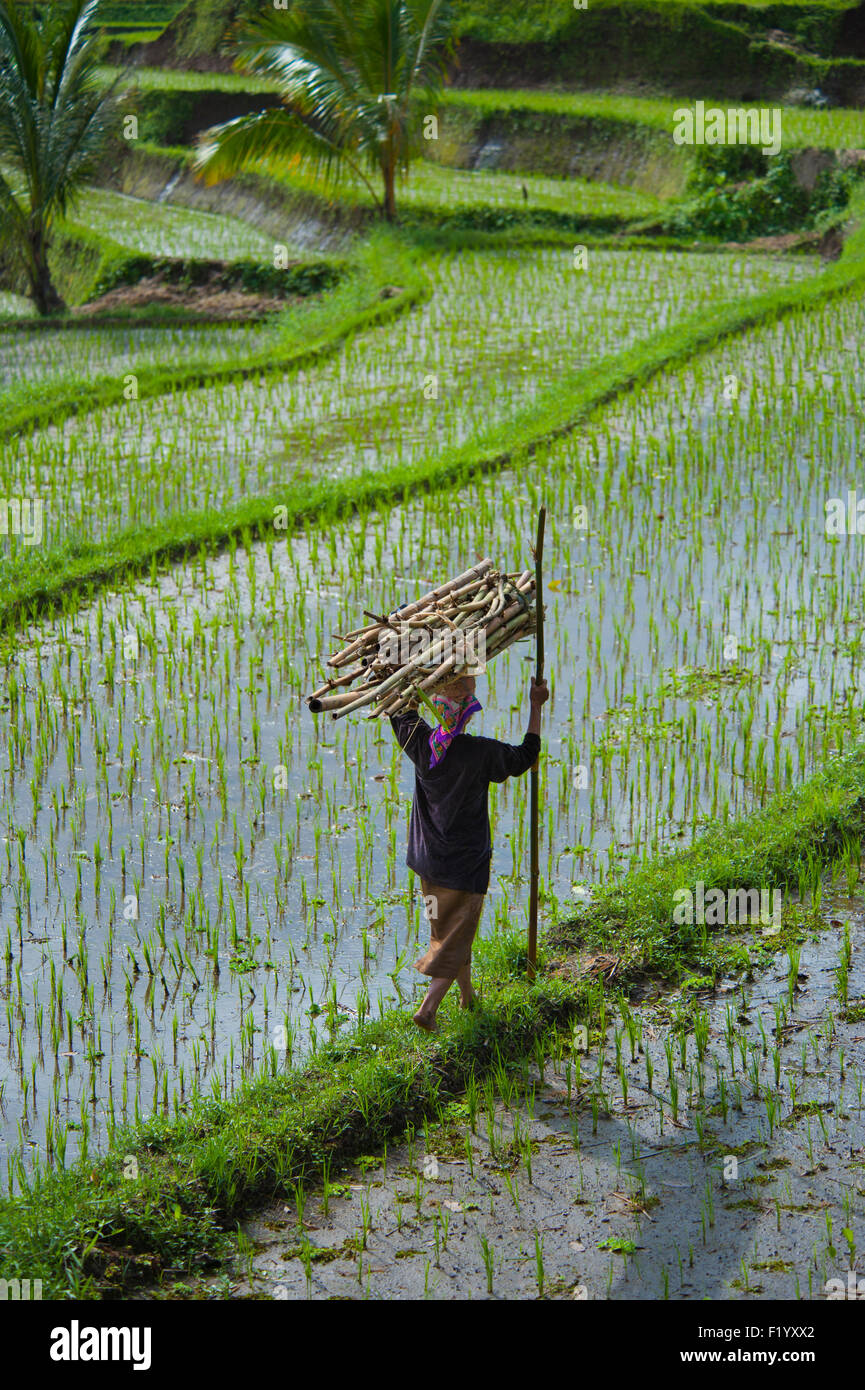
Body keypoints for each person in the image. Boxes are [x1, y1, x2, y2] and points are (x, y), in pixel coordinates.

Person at [390, 672, 549, 1032]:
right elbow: (527, 754)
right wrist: (536, 705)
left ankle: (468, 996)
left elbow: (398, 709)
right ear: (467, 713)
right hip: (465, 867)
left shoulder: (420, 744)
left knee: (449, 933)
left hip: (428, 864)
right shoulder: (480, 753)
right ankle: (427, 1009)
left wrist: (413, 681)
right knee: (456, 939)